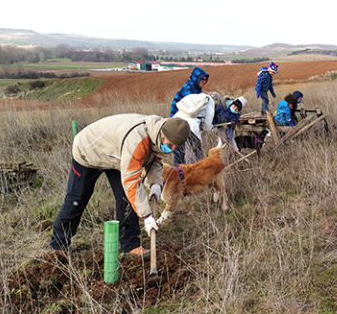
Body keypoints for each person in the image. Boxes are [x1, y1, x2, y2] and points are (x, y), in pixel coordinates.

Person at [50, 115, 190, 257]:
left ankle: (130, 246)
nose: (171, 148)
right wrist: (147, 216)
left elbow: (154, 161)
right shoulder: (137, 139)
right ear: (162, 133)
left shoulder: (158, 138)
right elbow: (132, 182)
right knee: (77, 199)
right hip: (89, 151)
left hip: (117, 156)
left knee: (126, 199)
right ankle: (59, 245)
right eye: (170, 144)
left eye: (175, 147)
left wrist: (156, 184)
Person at [172, 92, 217, 165]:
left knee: (178, 152)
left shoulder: (193, 97)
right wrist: (208, 128)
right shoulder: (209, 103)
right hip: (191, 127)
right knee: (197, 152)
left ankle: (177, 172)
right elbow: (207, 125)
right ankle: (199, 172)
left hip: (175, 122)